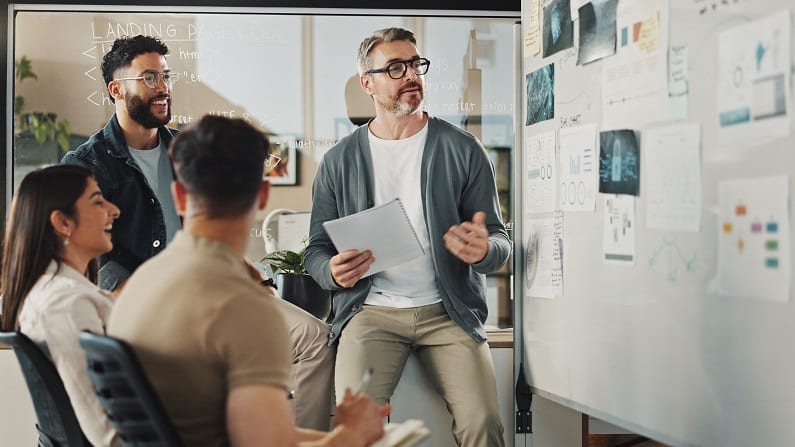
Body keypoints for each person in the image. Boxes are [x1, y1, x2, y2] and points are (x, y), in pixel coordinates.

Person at [62, 35, 335, 430]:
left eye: (167, 76)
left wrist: (254, 279)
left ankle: (294, 431)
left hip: (215, 282)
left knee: (315, 337)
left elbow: (212, 229)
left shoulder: (183, 150)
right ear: (116, 89)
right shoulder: (88, 163)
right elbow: (96, 257)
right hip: (148, 298)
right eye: (150, 77)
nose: (163, 87)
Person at [108, 115, 389, 446]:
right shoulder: (246, 310)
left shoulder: (140, 284)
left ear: (180, 196)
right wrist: (353, 435)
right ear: (262, 195)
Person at [305, 27, 510, 446]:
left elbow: (499, 241)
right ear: (368, 83)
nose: (411, 75)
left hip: (448, 315)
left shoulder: (463, 149)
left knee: (483, 422)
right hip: (371, 314)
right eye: (395, 68)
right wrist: (333, 271)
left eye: (416, 65)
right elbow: (316, 252)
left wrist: (484, 249)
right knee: (351, 433)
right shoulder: (339, 160)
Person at [0, 165, 122, 447]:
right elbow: (106, 435)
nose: (114, 210)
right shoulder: (67, 305)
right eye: (98, 201)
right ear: (63, 223)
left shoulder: (53, 292)